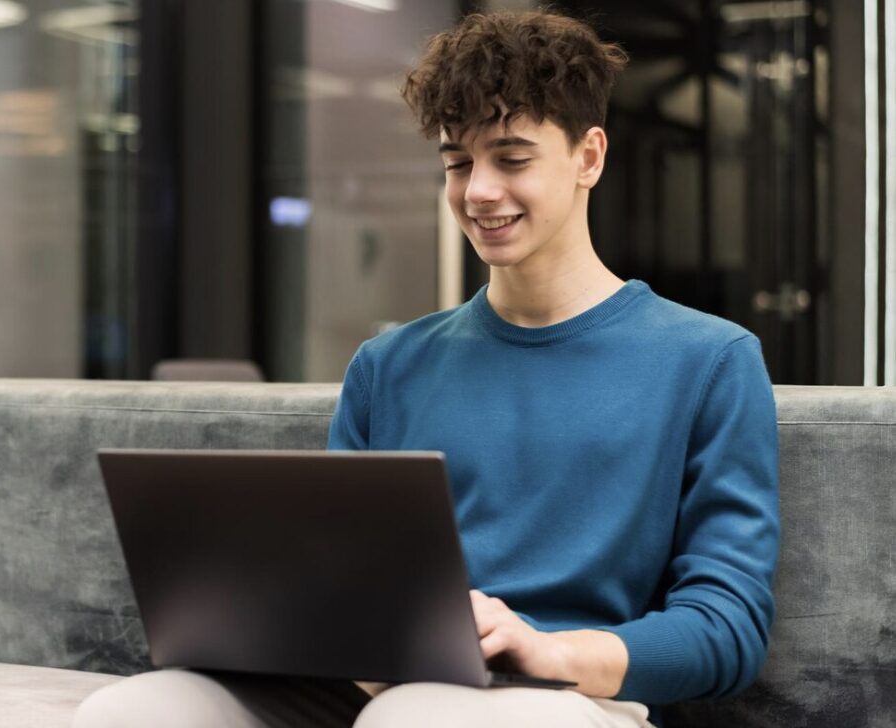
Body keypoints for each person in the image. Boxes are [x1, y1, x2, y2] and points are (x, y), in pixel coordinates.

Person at [73, 9, 778, 728]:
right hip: (381, 691)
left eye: (511, 157)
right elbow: (335, 582)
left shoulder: (710, 361)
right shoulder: (389, 367)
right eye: (457, 162)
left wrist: (550, 650)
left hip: (570, 698)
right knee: (132, 710)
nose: (477, 192)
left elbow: (727, 629)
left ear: (588, 158)